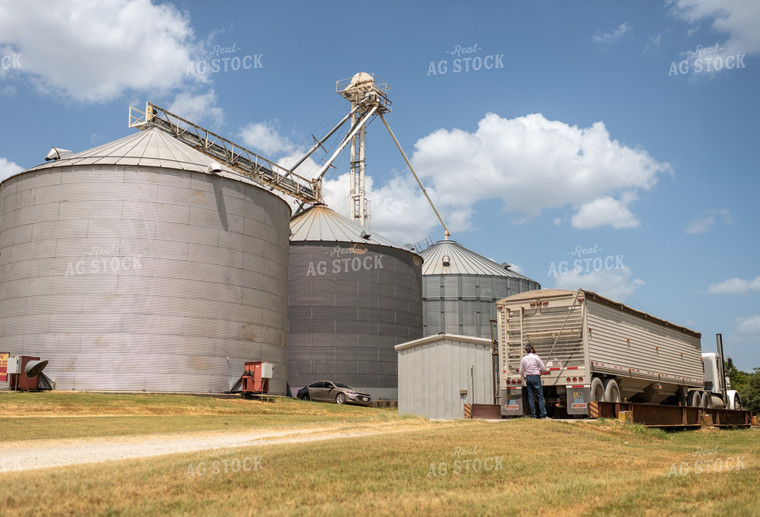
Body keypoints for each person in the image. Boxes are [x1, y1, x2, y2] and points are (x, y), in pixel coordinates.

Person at [521, 344, 547, 419]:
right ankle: (543, 414)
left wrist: (524, 376)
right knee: (540, 396)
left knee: (530, 397)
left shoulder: (524, 359)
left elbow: (521, 371)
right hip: (536, 376)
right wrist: (539, 371)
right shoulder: (536, 357)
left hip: (528, 377)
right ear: (531, 349)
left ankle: (533, 415)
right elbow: (543, 367)